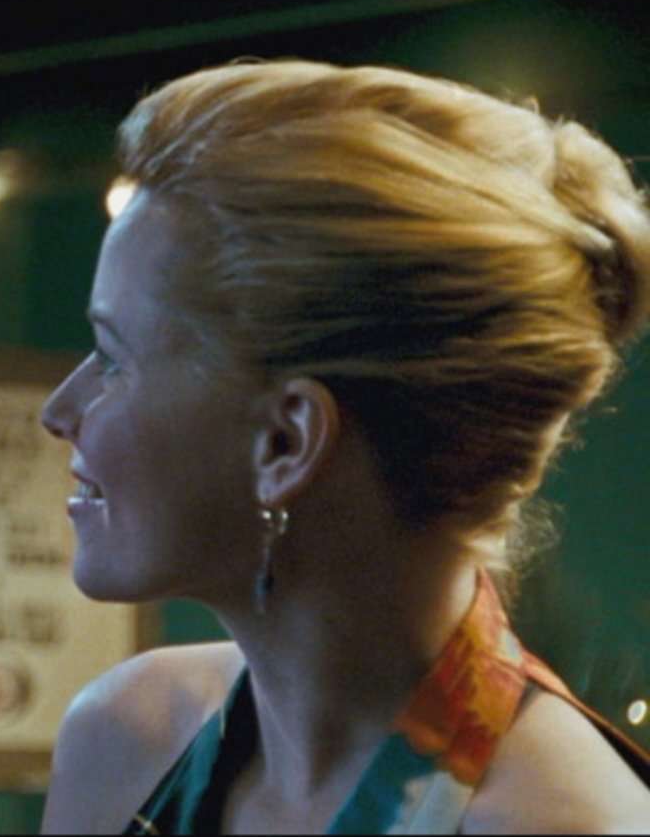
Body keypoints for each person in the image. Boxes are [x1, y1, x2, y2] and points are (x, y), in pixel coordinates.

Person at [36, 59, 650, 833]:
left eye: (112, 356)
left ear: (286, 442)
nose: (59, 411)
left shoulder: (566, 822)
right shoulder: (125, 742)